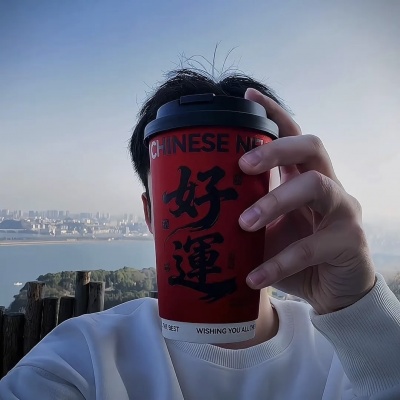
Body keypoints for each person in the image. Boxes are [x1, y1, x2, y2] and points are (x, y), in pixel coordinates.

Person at [1, 69, 400, 400]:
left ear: (290, 198)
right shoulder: (80, 359)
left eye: (254, 189)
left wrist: (358, 307)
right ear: (150, 213)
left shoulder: (357, 355)